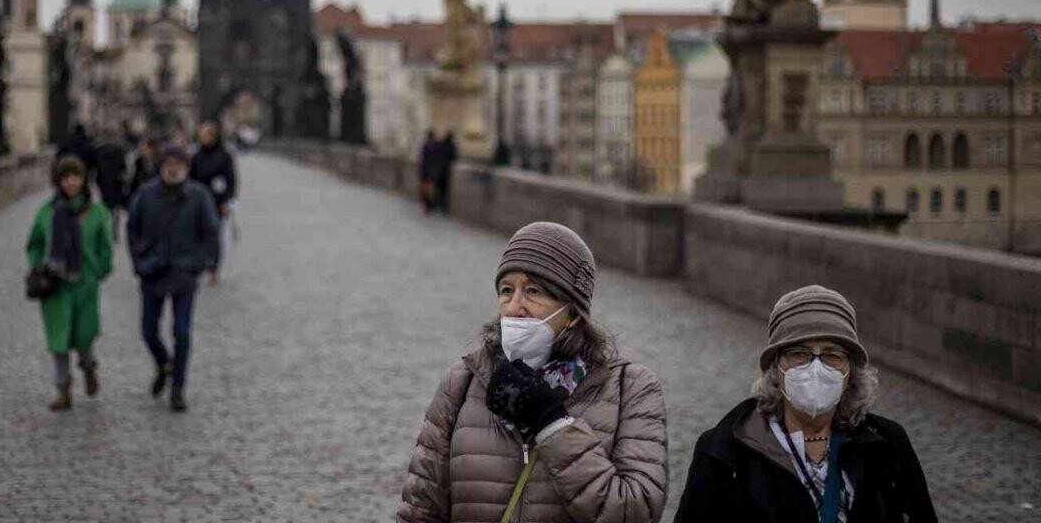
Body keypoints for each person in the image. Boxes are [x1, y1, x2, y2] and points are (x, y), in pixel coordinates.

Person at [397, 222, 669, 523]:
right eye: (506, 290)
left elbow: (637, 511)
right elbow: (420, 511)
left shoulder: (630, 388)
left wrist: (552, 425)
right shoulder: (463, 381)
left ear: (573, 311)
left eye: (533, 291)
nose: (514, 307)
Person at [675, 285, 937, 522]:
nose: (815, 368)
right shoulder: (724, 451)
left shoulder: (887, 444)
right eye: (798, 354)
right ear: (777, 368)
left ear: (850, 374)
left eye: (832, 355)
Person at [126, 144, 219, 412]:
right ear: (162, 166)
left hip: (184, 272)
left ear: (186, 167)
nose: (174, 168)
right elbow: (132, 228)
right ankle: (164, 364)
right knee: (148, 331)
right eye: (169, 163)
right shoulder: (146, 194)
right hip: (153, 271)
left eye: (179, 163)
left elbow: (211, 232)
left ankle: (178, 387)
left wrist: (201, 264)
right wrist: (138, 262)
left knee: (181, 332)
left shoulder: (198, 196)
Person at [25, 155, 113, 411]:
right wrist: (37, 266)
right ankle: (63, 388)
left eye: (76, 176)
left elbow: (105, 247)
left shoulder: (96, 212)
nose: (71, 182)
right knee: (59, 339)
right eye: (66, 178)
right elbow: (35, 244)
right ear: (58, 181)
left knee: (84, 335)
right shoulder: (47, 211)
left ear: (83, 179)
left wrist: (99, 271)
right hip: (55, 286)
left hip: (85, 284)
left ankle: (89, 366)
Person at [189, 121, 236, 285]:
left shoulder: (224, 156)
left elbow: (231, 181)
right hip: (198, 202)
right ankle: (200, 264)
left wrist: (229, 203)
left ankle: (214, 270)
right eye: (202, 134)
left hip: (218, 202)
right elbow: (190, 180)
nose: (205, 138)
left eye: (208, 134)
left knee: (214, 236)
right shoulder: (195, 156)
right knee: (198, 236)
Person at [93, 132, 129, 239]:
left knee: (104, 207)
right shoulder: (119, 150)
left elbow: (97, 168)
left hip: (104, 182)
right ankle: (115, 229)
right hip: (116, 183)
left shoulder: (100, 151)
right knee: (116, 208)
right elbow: (124, 168)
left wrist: (98, 182)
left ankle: (104, 229)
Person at [435, 131, 459, 213]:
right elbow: (455, 157)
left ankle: (439, 203)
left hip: (439, 169)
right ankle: (443, 205)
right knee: (444, 189)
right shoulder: (451, 146)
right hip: (446, 170)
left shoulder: (441, 145)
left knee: (439, 187)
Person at [417, 130, 439, 213]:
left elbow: (422, 159)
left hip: (425, 171)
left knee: (426, 188)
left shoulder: (425, 146)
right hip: (431, 171)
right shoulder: (435, 147)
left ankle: (427, 204)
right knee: (431, 189)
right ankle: (430, 204)